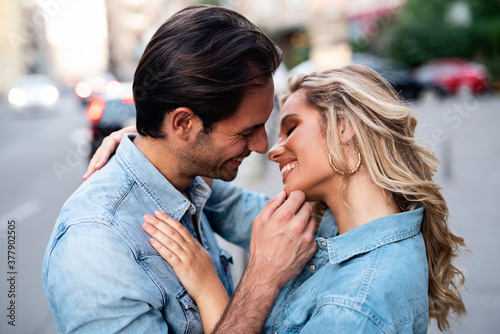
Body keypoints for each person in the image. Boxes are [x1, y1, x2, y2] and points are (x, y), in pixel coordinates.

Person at [43, 5, 317, 334]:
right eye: (246, 132)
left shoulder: (192, 182)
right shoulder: (96, 244)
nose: (262, 146)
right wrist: (261, 281)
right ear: (183, 123)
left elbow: (299, 226)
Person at [134, 65, 468, 333]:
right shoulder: (334, 225)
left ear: (344, 127)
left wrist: (209, 290)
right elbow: (229, 205)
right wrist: (155, 146)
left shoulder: (351, 308)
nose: (273, 150)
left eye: (290, 128)